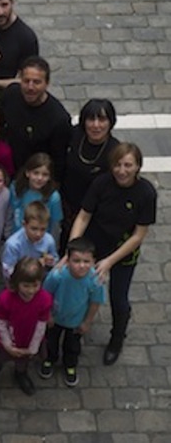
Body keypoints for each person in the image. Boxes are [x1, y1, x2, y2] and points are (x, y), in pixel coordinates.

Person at [67, 142, 156, 365]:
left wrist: (109, 262)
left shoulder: (146, 193)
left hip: (124, 252)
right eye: (118, 164)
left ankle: (117, 338)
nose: (122, 170)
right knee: (80, 287)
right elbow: (84, 216)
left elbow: (138, 235)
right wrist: (73, 249)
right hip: (96, 245)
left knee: (119, 298)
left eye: (128, 165)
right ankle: (76, 325)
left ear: (137, 167)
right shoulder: (102, 183)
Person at [0, 257, 52, 402]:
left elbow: (41, 325)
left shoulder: (44, 299)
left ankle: (20, 374)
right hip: (7, 339)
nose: (31, 290)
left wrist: (33, 347)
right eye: (26, 286)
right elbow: (1, 323)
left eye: (35, 285)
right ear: (17, 282)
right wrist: (8, 345)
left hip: (28, 339)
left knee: (23, 361)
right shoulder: (5, 299)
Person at [40, 237, 104, 386]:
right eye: (76, 261)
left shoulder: (95, 280)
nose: (81, 266)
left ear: (93, 262)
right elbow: (46, 294)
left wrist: (87, 322)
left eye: (86, 261)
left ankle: (70, 365)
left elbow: (95, 302)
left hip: (76, 321)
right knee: (51, 341)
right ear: (67, 260)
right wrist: (47, 314)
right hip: (55, 318)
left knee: (73, 345)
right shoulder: (57, 276)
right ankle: (50, 359)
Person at [60, 98, 120, 252]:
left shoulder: (114, 151)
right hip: (66, 205)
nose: (96, 125)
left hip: (94, 214)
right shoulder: (73, 135)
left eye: (102, 119)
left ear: (110, 122)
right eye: (91, 119)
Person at [0, 56, 72, 179]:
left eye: (37, 82)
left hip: (35, 179)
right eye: (26, 81)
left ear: (47, 83)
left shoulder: (59, 119)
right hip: (7, 168)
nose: (30, 87)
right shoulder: (11, 94)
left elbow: (58, 161)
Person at [9, 153, 63, 239]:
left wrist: (52, 248)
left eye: (45, 175)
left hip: (40, 242)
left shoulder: (54, 197)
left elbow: (55, 227)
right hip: (16, 240)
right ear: (27, 173)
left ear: (50, 177)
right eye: (36, 173)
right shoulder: (15, 188)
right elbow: (9, 214)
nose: (39, 178)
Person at [2, 201, 58, 281]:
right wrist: (34, 266)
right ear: (24, 224)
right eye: (34, 229)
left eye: (43, 229)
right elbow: (7, 272)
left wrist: (51, 262)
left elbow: (55, 261)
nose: (38, 234)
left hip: (41, 282)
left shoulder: (49, 240)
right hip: (19, 284)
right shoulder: (13, 244)